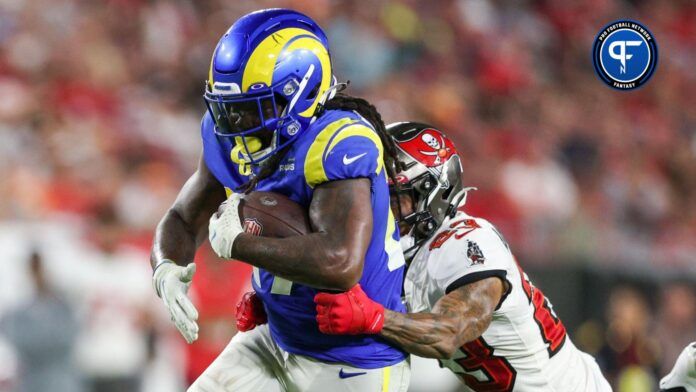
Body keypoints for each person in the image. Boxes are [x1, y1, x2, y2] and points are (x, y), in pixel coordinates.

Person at [149, 9, 409, 391]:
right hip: (276, 339)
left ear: (300, 91)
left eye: (251, 107)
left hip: (354, 359)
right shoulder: (230, 138)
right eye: (228, 107)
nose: (235, 123)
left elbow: (341, 262)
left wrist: (241, 244)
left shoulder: (338, 142)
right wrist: (166, 269)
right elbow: (184, 218)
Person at [307, 122, 612, 391]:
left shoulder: (466, 243)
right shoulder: (403, 253)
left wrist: (373, 318)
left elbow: (446, 333)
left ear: (433, 194)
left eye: (394, 199)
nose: (381, 211)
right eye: (375, 197)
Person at [0, 251, 83, 392]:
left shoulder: (64, 306)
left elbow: (67, 339)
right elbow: (16, 339)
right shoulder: (17, 307)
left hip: (62, 382)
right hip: (29, 381)